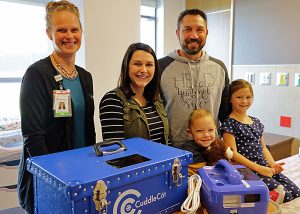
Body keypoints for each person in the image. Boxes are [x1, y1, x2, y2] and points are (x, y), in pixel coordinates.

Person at [18, 1, 96, 213]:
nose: (69, 36)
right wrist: (55, 181)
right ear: (49, 33)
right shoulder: (37, 74)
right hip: (50, 179)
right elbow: (33, 137)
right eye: (61, 30)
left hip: (82, 173)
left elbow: (87, 128)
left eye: (74, 29)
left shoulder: (85, 77)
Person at [158, 9, 230, 148]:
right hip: (173, 150)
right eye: (187, 29)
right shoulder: (160, 67)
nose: (194, 35)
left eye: (199, 29)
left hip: (211, 149)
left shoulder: (219, 67)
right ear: (178, 33)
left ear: (206, 33)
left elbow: (225, 114)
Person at [221, 79, 300, 203]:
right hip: (247, 170)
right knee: (286, 196)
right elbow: (234, 155)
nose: (244, 101)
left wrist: (273, 164)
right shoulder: (229, 124)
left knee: (296, 192)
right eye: (239, 97)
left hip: (263, 166)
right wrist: (259, 169)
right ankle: (259, 200)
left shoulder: (256, 122)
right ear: (230, 99)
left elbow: (263, 148)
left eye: (248, 97)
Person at [99, 42, 169, 145]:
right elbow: (115, 150)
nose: (144, 70)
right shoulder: (112, 100)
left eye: (149, 65)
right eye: (137, 64)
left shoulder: (156, 98)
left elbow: (166, 141)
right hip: (134, 162)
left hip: (161, 160)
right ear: (127, 66)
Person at [181, 109, 232, 176]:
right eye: (200, 131)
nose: (206, 135)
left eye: (210, 130)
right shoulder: (186, 151)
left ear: (215, 129)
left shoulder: (218, 147)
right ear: (190, 132)